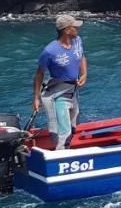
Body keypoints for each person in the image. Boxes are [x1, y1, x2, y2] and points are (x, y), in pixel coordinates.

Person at [32, 14, 88, 150]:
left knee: (73, 127)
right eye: (75, 27)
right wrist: (36, 98)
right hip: (57, 94)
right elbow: (39, 74)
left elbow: (81, 56)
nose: (78, 29)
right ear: (67, 30)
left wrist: (84, 74)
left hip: (72, 92)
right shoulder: (50, 51)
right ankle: (60, 158)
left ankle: (65, 147)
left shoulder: (77, 41)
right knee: (64, 132)